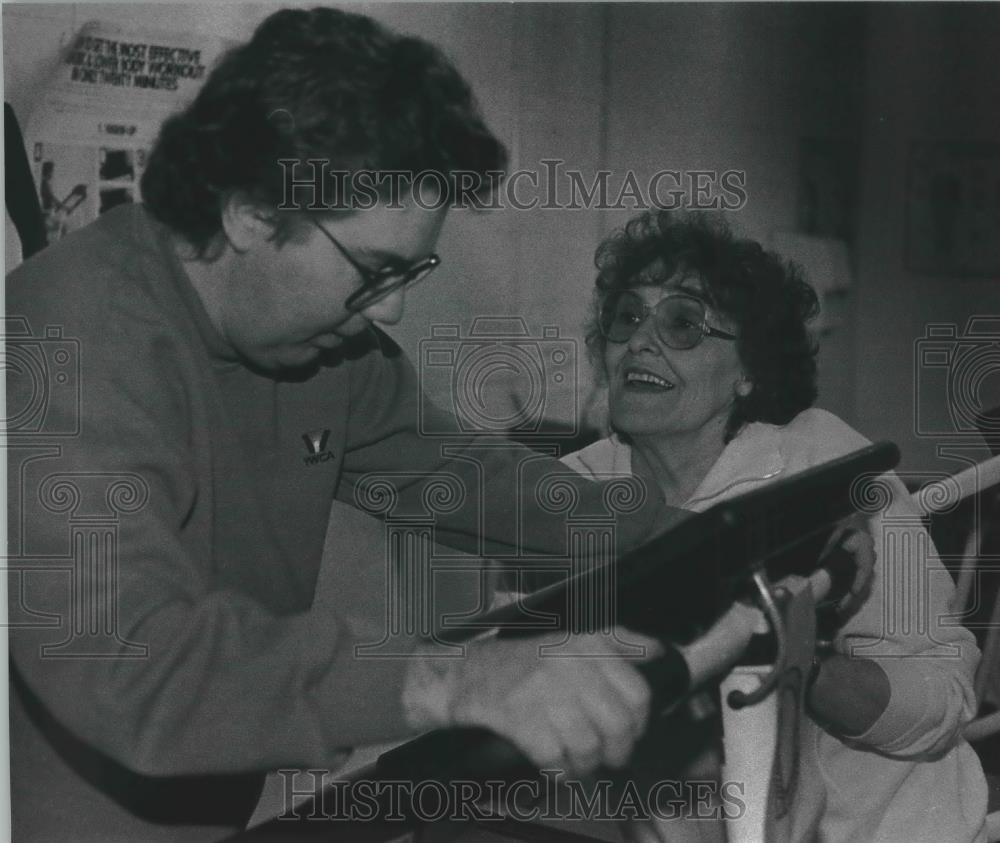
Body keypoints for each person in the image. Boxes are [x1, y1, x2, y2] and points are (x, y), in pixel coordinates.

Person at [5, 9, 682, 841]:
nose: (390, 307)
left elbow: (471, 478)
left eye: (412, 270)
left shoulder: (328, 353)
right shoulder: (59, 344)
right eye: (374, 270)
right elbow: (132, 661)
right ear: (251, 212)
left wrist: (702, 530)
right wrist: (456, 680)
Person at [562, 210, 988, 843]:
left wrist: (796, 657)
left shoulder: (830, 469)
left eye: (682, 322)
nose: (639, 341)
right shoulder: (569, 492)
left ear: (748, 372)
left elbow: (942, 703)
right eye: (627, 316)